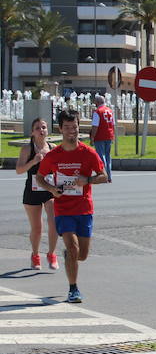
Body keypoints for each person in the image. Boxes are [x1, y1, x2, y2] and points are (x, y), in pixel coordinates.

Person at [37, 110, 107, 303]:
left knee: (81, 255)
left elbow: (104, 176)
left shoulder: (88, 153)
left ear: (78, 127)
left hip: (84, 208)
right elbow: (40, 178)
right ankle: (73, 289)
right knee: (73, 245)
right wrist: (52, 189)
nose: (71, 131)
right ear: (60, 129)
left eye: (74, 127)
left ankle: (70, 256)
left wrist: (88, 179)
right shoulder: (53, 155)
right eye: (67, 128)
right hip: (63, 208)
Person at [16, 117, 59, 270]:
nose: (41, 130)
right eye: (38, 128)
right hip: (32, 190)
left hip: (49, 189)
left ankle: (52, 254)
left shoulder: (53, 148)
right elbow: (19, 170)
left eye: (44, 127)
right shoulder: (27, 149)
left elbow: (60, 169)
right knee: (37, 227)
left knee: (54, 223)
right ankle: (35, 255)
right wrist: (33, 162)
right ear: (32, 132)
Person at [89, 95, 115, 182]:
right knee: (108, 157)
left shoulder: (97, 112)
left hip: (100, 136)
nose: (94, 103)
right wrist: (113, 135)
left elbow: (95, 126)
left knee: (101, 156)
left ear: (98, 102)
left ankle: (104, 176)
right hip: (109, 136)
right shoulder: (110, 111)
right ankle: (109, 176)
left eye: (95, 102)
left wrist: (92, 137)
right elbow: (113, 124)